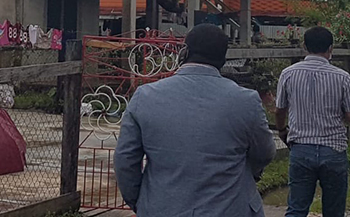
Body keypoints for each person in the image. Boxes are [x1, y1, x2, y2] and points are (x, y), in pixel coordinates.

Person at [115, 24, 276, 217]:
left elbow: (125, 160)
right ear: (223, 58)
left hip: (161, 208)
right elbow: (265, 152)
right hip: (230, 208)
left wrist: (142, 202)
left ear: (185, 52)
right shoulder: (245, 101)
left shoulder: (146, 96)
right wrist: (249, 173)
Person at [275, 26, 350, 217]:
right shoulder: (342, 77)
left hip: (301, 149)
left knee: (297, 209)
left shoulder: (288, 74)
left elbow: (280, 110)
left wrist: (282, 130)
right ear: (330, 48)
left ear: (304, 46)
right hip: (333, 150)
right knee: (333, 210)